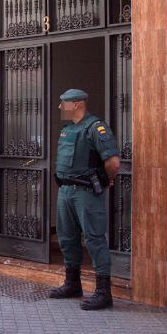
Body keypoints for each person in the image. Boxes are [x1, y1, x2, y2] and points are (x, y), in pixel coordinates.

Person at [49, 89, 121, 310]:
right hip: (65, 191)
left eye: (64, 103)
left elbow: (113, 162)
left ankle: (103, 292)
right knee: (67, 238)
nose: (60, 107)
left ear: (77, 104)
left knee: (94, 239)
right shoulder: (69, 129)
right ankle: (73, 284)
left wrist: (106, 180)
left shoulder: (96, 128)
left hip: (86, 193)